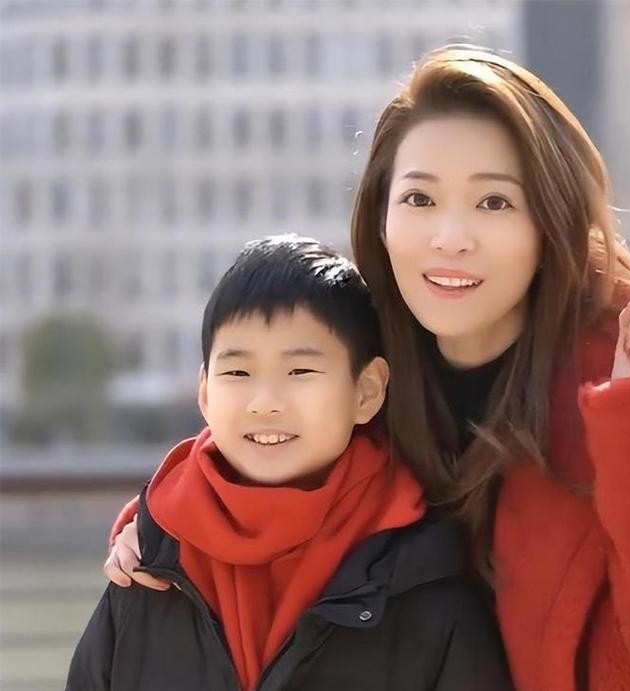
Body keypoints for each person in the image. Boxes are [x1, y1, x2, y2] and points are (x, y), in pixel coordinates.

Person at [104, 48, 630, 689]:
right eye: (419, 198)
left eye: (494, 201)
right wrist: (166, 527)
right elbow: (263, 458)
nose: (450, 237)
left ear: (549, 223)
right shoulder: (365, 374)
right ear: (381, 219)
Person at [67, 235, 512, 691]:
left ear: (366, 391)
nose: (265, 403)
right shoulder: (147, 567)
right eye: (237, 372)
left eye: (300, 371)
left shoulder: (426, 583)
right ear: (205, 393)